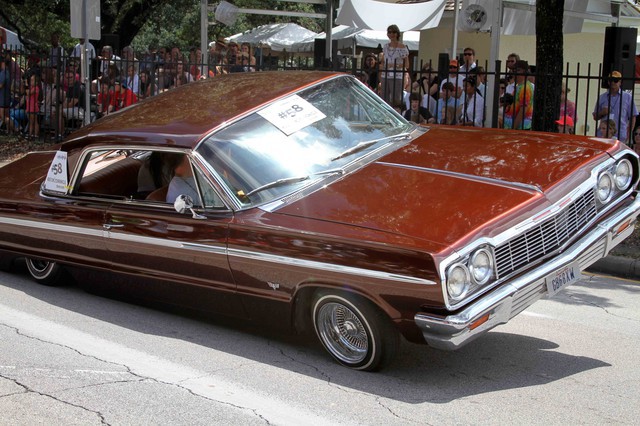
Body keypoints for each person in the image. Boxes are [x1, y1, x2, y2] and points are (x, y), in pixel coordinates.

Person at [592, 70, 637, 143]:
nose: (613, 82)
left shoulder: (627, 97)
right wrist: (602, 113)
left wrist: (629, 132)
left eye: (615, 80)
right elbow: (595, 117)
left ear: (620, 82)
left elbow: (633, 116)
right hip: (603, 134)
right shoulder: (602, 97)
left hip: (620, 134)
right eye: (611, 80)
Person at [379, 24, 409, 107]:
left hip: (397, 75)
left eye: (394, 32)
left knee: (396, 99)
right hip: (386, 74)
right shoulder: (385, 46)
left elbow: (407, 64)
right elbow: (383, 61)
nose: (391, 34)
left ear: (397, 34)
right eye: (389, 32)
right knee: (384, 98)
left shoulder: (402, 47)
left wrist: (395, 65)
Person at [504, 60, 534, 130]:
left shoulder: (525, 87)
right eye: (514, 70)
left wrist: (514, 127)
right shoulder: (520, 86)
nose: (515, 73)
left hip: (520, 128)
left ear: (524, 72)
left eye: (518, 70)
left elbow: (523, 109)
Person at [0, 56, 10, 129]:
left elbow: (1, 85)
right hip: (5, 96)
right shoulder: (7, 72)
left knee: (2, 115)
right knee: (6, 115)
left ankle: (16, 128)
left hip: (2, 97)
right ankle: (10, 129)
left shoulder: (3, 72)